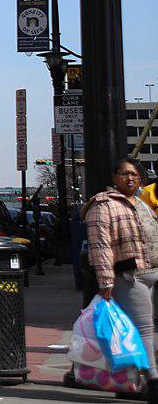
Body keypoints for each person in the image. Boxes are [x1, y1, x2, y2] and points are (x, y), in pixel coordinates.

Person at [85, 157, 158, 389]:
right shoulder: (103, 204)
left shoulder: (141, 203)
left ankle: (131, 383)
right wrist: (106, 282)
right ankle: (152, 381)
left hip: (151, 273)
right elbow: (100, 246)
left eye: (135, 174)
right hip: (130, 276)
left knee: (141, 329)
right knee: (144, 329)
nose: (130, 178)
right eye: (125, 174)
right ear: (114, 177)